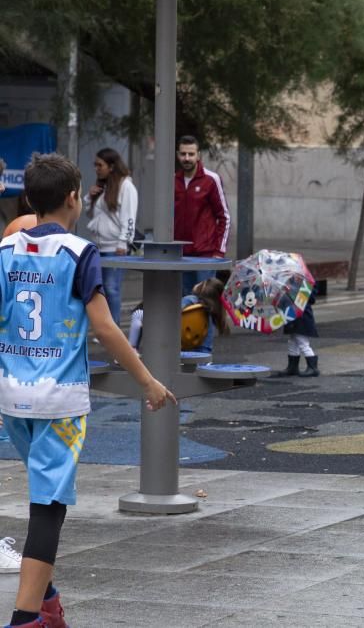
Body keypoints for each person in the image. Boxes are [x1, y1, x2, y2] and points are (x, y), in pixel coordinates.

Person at [0, 153, 175, 628]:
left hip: (12, 398)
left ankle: (48, 599)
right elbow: (106, 329)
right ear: (74, 198)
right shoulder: (80, 253)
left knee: (42, 494)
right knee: (47, 508)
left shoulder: (5, 251)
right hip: (59, 400)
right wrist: (148, 380)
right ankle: (25, 617)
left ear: (31, 199)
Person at [83, 147, 138, 326]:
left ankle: (113, 326)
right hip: (99, 246)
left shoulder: (126, 186)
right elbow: (92, 216)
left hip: (116, 247)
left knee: (112, 288)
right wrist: (89, 198)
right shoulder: (103, 187)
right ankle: (104, 325)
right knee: (101, 290)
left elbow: (129, 217)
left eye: (100, 165)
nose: (96, 169)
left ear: (112, 166)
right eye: (95, 165)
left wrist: (124, 242)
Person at [174, 135, 230, 295]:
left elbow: (224, 216)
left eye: (191, 154)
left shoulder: (211, 180)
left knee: (205, 302)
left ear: (198, 155)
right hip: (180, 254)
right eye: (183, 154)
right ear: (178, 154)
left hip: (205, 255)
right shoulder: (172, 180)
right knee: (185, 302)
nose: (187, 158)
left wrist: (219, 252)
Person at [128, 277, 229, 354]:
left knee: (137, 314)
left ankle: (131, 348)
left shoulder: (190, 299)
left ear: (202, 288)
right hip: (196, 345)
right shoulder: (209, 310)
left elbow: (174, 312)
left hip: (170, 333)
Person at [275, 292, 320, 377]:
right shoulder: (290, 285)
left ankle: (313, 367)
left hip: (302, 318)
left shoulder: (305, 285)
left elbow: (311, 299)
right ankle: (292, 367)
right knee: (292, 341)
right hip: (293, 318)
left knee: (303, 342)